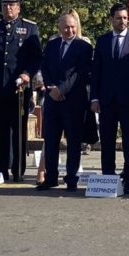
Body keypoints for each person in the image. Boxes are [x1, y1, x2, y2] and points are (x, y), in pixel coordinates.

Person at [0, 0, 42, 183]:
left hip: (19, 90)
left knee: (18, 130)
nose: (8, 8)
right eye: (5, 5)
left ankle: (18, 170)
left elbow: (36, 58)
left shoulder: (29, 28)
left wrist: (27, 74)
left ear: (19, 7)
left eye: (12, 5)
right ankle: (0, 170)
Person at [91, 3, 129, 194]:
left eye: (125, 18)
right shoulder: (102, 41)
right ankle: (108, 177)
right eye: (118, 18)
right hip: (107, 100)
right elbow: (96, 72)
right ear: (111, 19)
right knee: (107, 140)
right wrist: (94, 98)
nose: (122, 21)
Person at [37, 10, 93, 191]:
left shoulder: (84, 47)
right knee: (51, 140)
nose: (69, 31)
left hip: (73, 101)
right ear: (60, 28)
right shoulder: (52, 45)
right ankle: (51, 177)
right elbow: (44, 68)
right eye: (66, 27)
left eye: (72, 27)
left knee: (73, 143)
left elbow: (80, 74)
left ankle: (71, 178)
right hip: (53, 100)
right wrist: (52, 87)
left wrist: (62, 89)